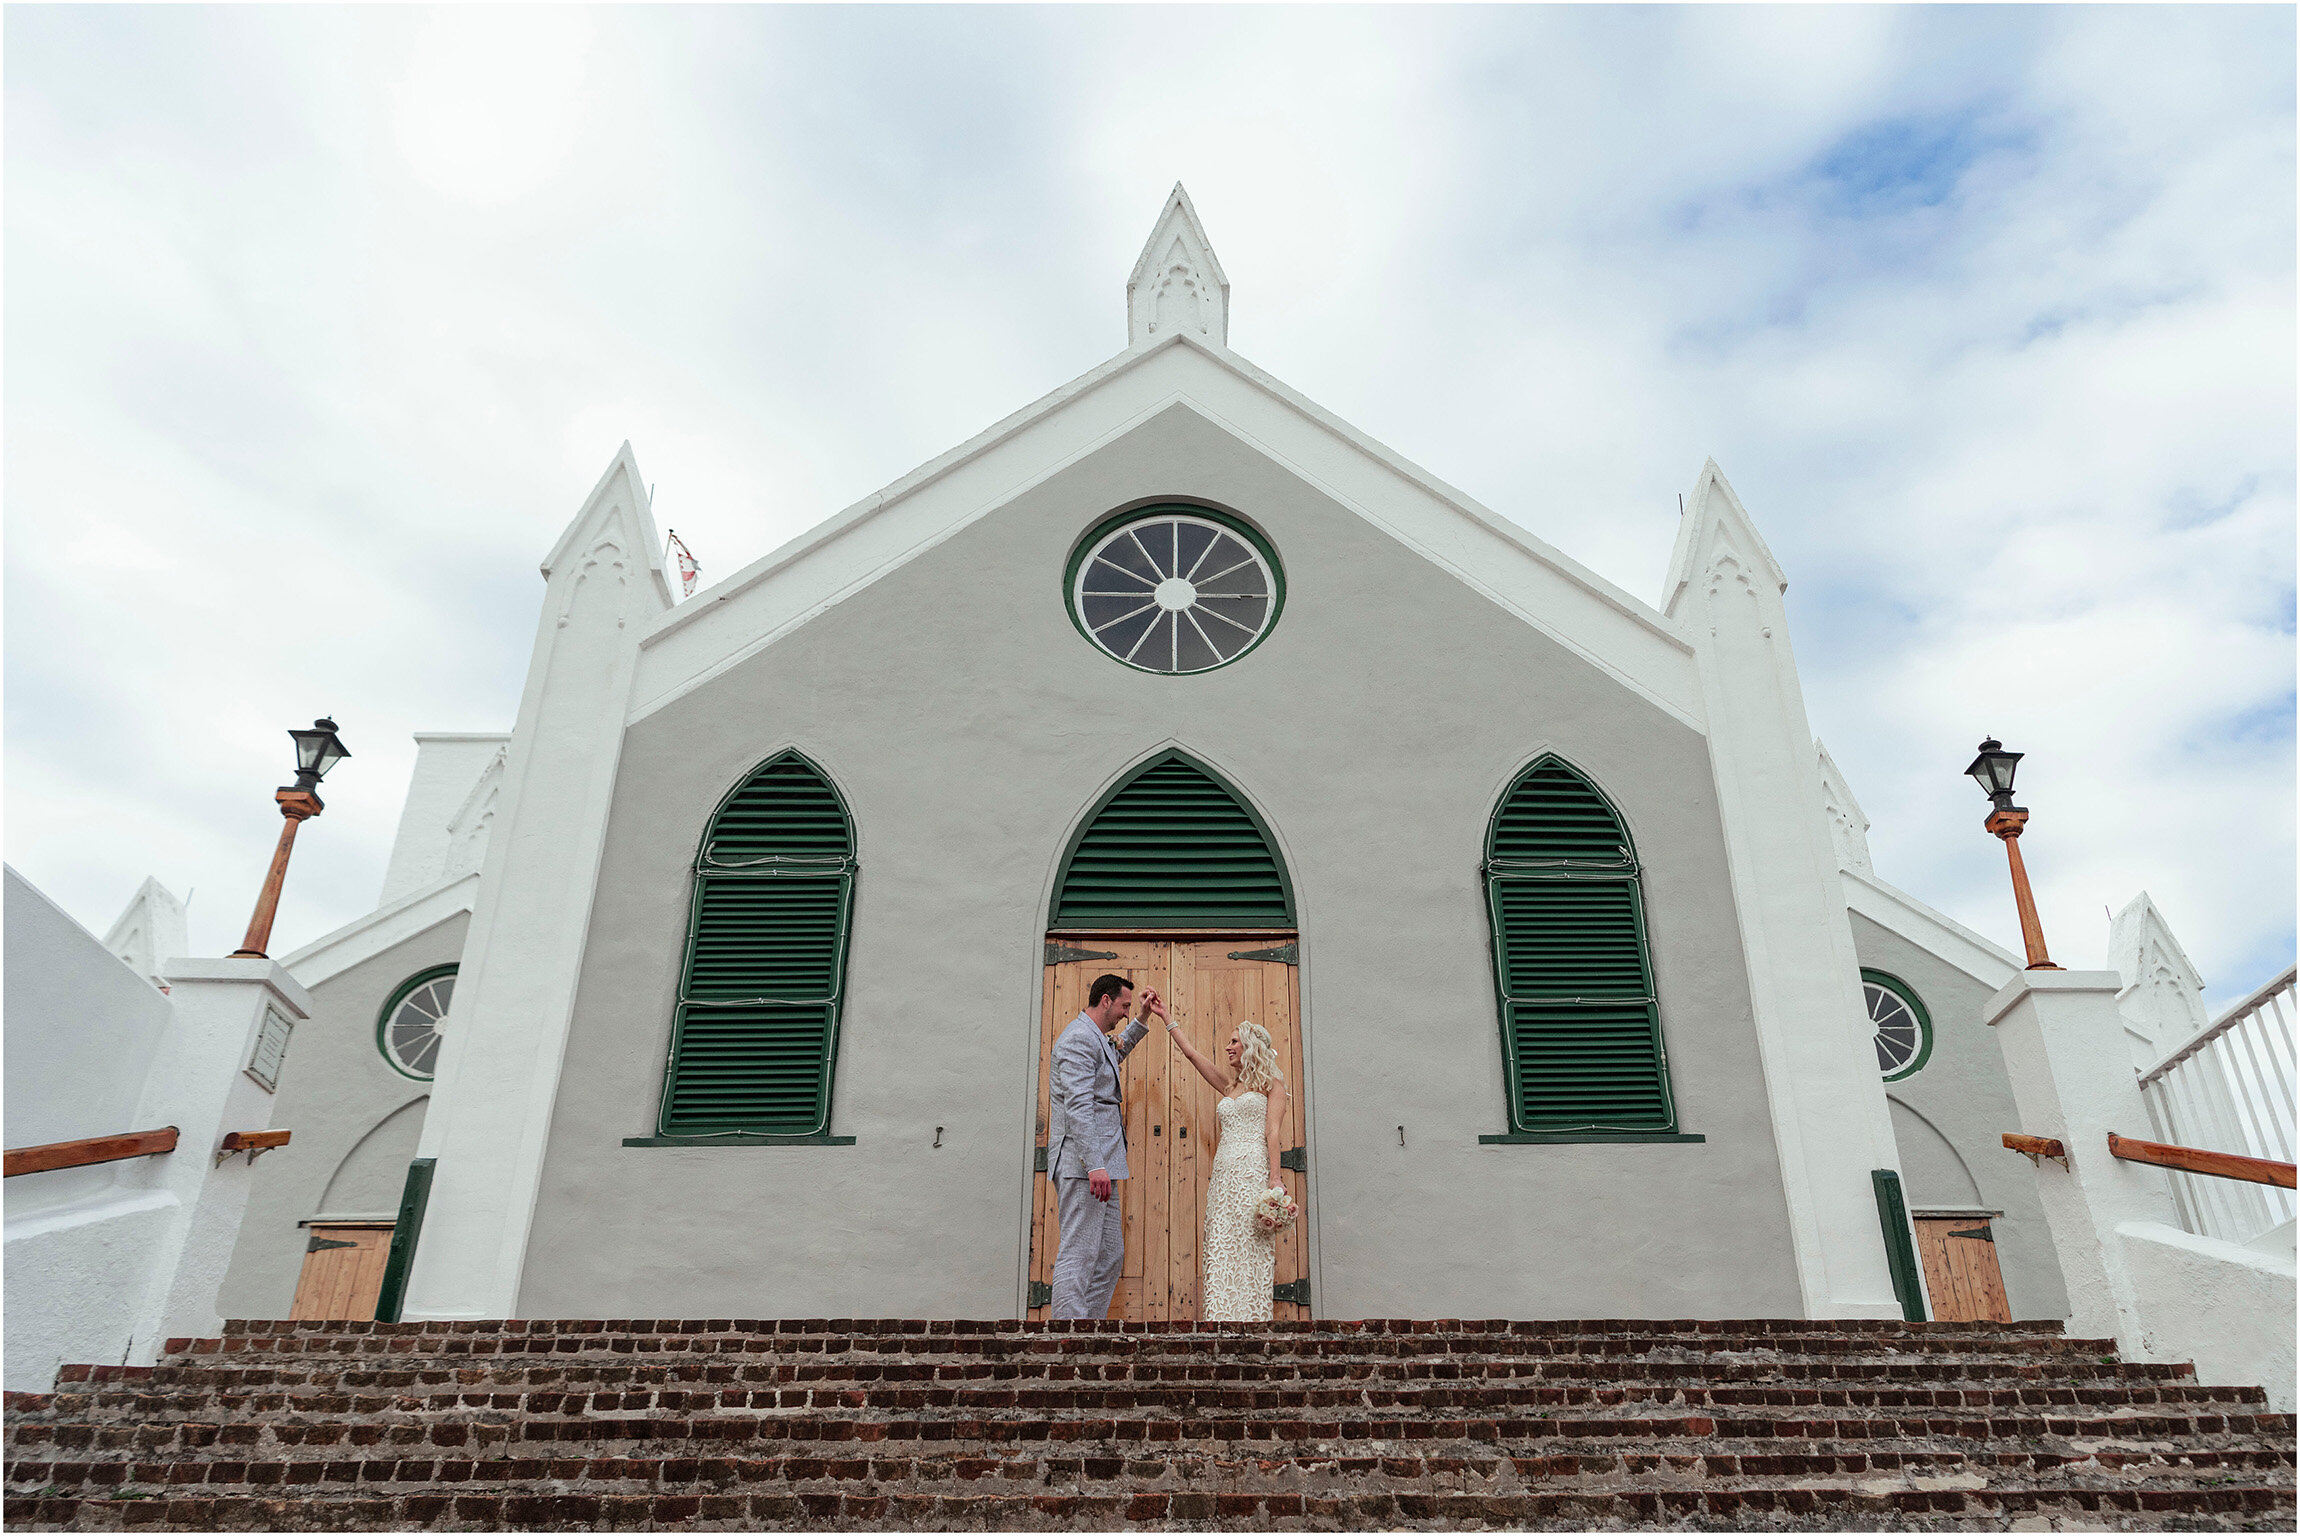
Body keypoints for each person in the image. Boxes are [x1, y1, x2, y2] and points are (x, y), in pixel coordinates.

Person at [1046, 973, 1165, 1320]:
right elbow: (1078, 1107)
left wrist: (1144, 1016)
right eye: (1126, 1006)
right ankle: (1067, 1338)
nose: (1126, 1013)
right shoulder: (1078, 1040)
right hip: (1084, 1166)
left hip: (1103, 1168)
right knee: (1080, 1252)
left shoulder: (1096, 1039)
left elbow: (1119, 1049)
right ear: (1106, 1001)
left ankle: (1087, 1332)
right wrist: (1094, 1164)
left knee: (1109, 1254)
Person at [1165, 1015, 1291, 1322]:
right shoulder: (1230, 1085)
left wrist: (1275, 1177)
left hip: (1252, 1169)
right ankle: (1221, 1320)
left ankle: (1251, 1321)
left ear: (1250, 1045)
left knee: (1250, 1245)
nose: (1228, 1047)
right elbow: (1193, 1055)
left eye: (1234, 1041)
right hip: (1223, 1175)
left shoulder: (1271, 1084)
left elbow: (1272, 1131)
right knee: (1221, 1244)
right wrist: (1166, 1017)